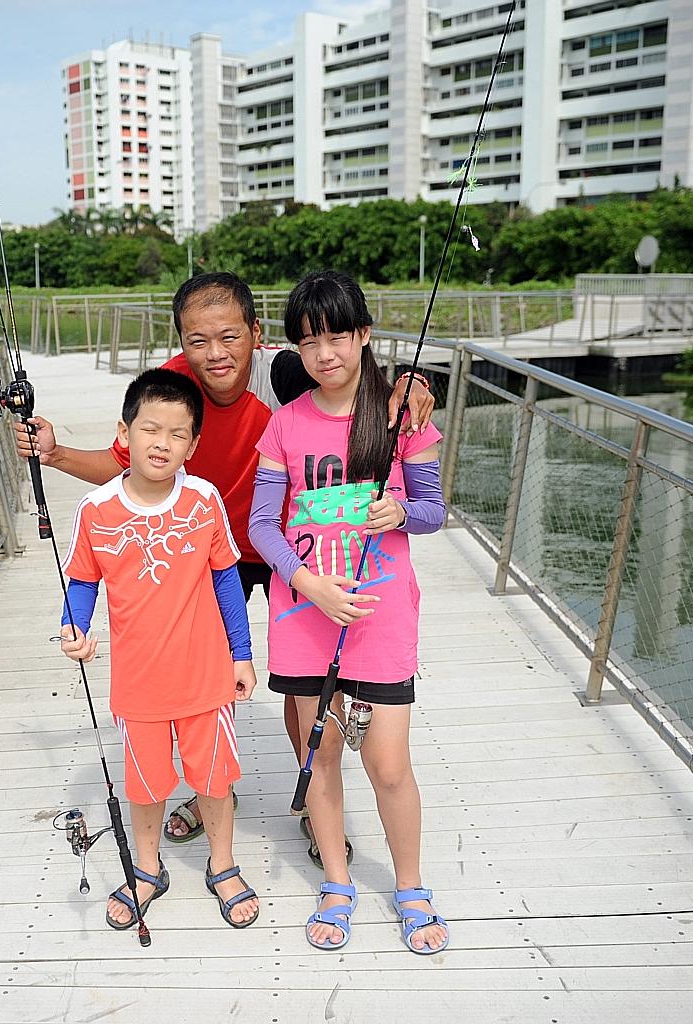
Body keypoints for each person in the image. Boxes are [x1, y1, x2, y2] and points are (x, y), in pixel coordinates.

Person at [16, 272, 433, 857]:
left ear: (256, 335)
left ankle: (312, 792)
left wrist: (410, 382)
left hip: (287, 546)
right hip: (212, 547)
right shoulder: (173, 387)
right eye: (197, 340)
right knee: (209, 670)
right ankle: (214, 787)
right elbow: (125, 463)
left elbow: (348, 376)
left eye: (229, 337)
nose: (215, 354)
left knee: (301, 682)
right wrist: (55, 454)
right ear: (181, 341)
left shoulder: (283, 372)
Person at [248, 269, 450, 954]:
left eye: (338, 336)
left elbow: (433, 511)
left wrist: (402, 510)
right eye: (308, 342)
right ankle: (337, 882)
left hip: (383, 616)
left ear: (364, 336)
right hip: (306, 617)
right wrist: (308, 584)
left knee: (389, 764)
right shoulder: (284, 423)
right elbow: (262, 526)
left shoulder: (402, 418)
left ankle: (411, 886)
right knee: (322, 757)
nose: (325, 353)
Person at [58, 368, 261, 930]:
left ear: (193, 445)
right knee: (144, 785)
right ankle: (147, 869)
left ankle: (222, 864)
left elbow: (226, 578)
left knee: (215, 781)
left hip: (207, 675)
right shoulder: (97, 509)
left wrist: (241, 654)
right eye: (151, 430)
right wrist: (72, 629)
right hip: (138, 682)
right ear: (125, 433)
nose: (162, 444)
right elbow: (82, 580)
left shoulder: (203, 498)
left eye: (177, 434)